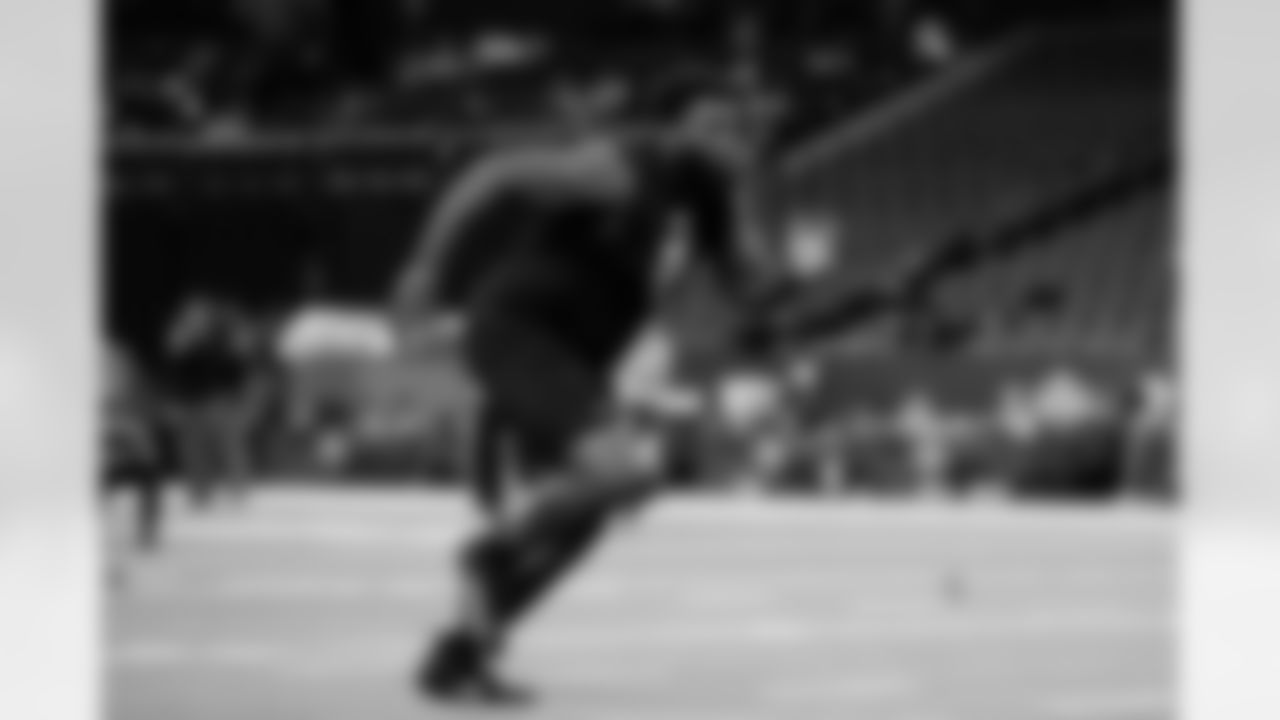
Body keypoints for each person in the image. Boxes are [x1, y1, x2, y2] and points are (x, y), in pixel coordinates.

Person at [391, 82, 952, 705]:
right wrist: (424, 270)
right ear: (678, 127)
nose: (734, 136)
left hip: (575, 358)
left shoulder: (711, 206)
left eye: (744, 127)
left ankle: (461, 654)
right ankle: (489, 552)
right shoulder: (628, 169)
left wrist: (812, 275)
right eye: (715, 121)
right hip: (521, 333)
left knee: (590, 517)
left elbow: (756, 303)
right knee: (626, 474)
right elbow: (494, 175)